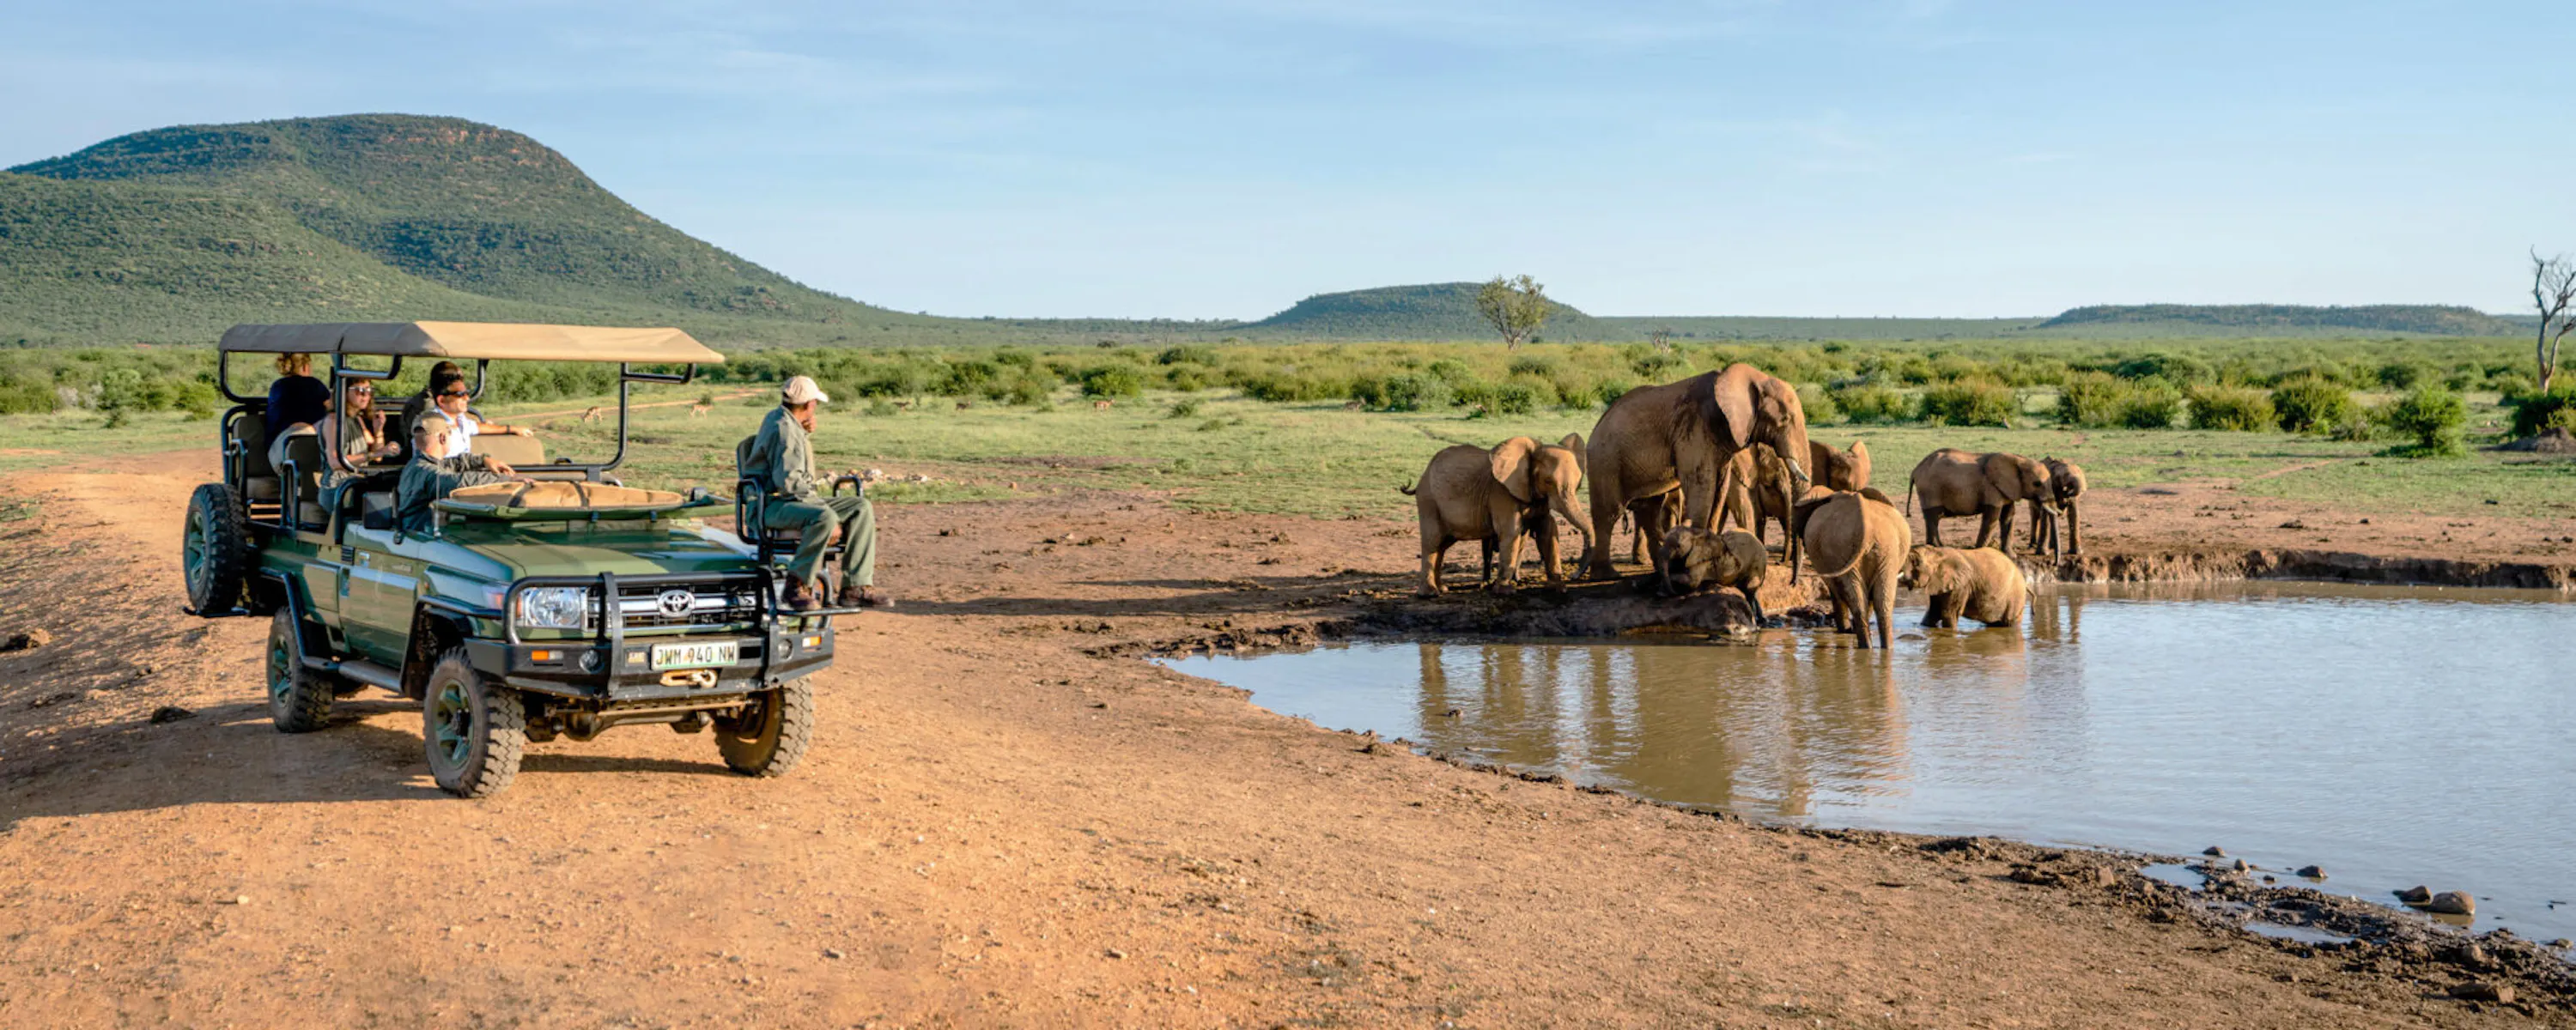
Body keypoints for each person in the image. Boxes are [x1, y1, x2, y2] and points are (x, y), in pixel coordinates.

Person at [745, 375, 890, 610]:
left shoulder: (782, 419)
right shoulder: (786, 431)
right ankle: (796, 585)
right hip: (769, 505)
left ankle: (855, 586)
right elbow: (790, 484)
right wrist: (823, 511)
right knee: (825, 517)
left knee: (861, 508)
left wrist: (805, 431)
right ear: (809, 404)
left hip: (785, 501)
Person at [396, 415, 524, 535]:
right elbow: (459, 482)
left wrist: (484, 461)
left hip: (425, 536)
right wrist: (510, 480)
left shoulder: (419, 464)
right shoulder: (426, 472)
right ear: (443, 438)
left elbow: (455, 463)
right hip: (421, 538)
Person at [426, 369, 532, 458]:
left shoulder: (460, 420)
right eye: (460, 394)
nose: (467, 398)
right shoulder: (431, 426)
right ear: (442, 401)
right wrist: (481, 461)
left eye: (467, 393)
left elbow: (478, 427)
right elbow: (433, 467)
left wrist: (512, 429)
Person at [264, 353, 331, 471]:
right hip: (300, 447)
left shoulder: (277, 386)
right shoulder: (314, 385)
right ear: (305, 366)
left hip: (277, 453)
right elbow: (332, 407)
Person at [324, 378, 401, 470]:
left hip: (359, 476)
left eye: (369, 390)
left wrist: (378, 430)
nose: (365, 395)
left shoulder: (357, 419)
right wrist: (377, 453)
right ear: (344, 392)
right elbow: (335, 462)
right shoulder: (333, 421)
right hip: (339, 480)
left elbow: (377, 457)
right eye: (359, 390)